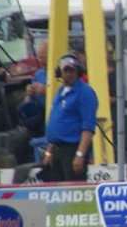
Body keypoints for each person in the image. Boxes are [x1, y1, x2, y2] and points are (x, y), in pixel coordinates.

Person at [42, 53, 98, 182]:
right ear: (60, 72)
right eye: (65, 71)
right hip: (57, 151)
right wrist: (49, 152)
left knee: (72, 186)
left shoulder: (85, 92)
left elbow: (88, 127)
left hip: (72, 149)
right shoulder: (61, 91)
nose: (69, 74)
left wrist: (80, 154)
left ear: (78, 71)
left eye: (72, 71)